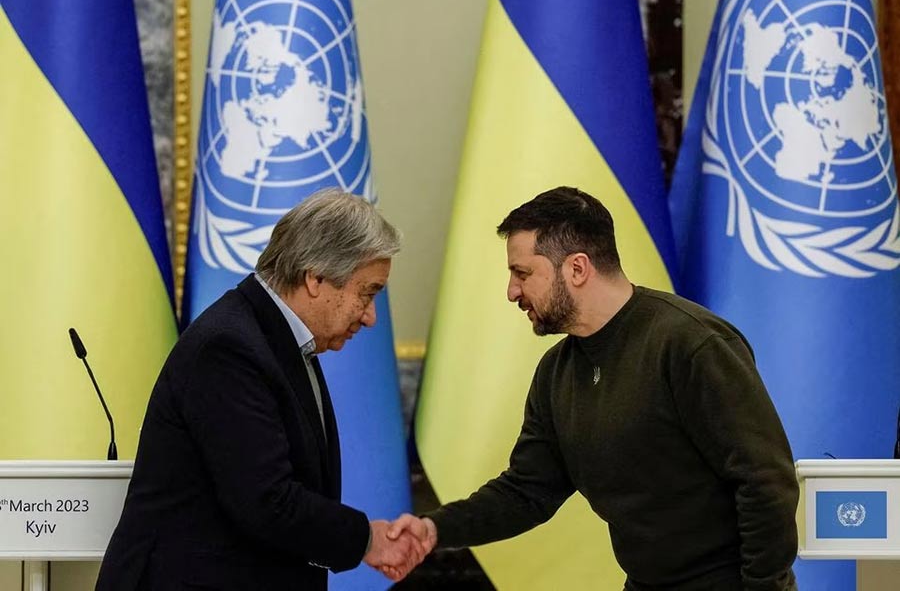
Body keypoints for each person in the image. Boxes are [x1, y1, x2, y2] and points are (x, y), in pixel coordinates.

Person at [389, 187, 799, 590]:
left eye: (523, 273)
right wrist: (434, 528)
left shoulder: (690, 344)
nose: (512, 292)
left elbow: (765, 481)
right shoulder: (556, 372)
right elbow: (527, 491)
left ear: (577, 268)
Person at [96, 189, 422, 590]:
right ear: (316, 277)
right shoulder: (230, 348)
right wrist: (367, 540)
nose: (370, 317)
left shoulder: (274, 339)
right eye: (367, 293)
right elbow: (266, 501)